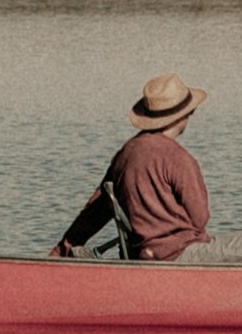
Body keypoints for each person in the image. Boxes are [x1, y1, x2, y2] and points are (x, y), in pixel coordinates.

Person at [52, 76, 214, 261]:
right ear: (185, 114)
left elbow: (96, 210)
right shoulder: (180, 158)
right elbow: (200, 219)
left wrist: (62, 249)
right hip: (182, 254)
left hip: (145, 252)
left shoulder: (126, 152)